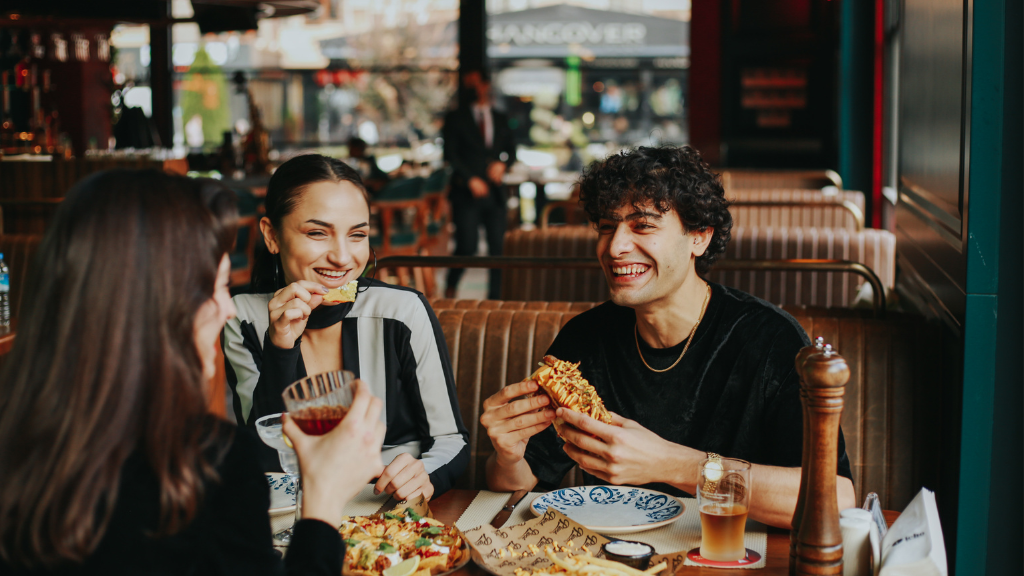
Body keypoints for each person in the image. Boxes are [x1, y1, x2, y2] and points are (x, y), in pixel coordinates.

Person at [0, 170, 385, 574]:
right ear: (155, 303)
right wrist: (322, 500)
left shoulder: (18, 443)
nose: (228, 308)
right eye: (216, 287)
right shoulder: (206, 469)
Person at [479, 146, 856, 528]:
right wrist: (507, 455)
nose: (614, 247)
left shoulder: (770, 340)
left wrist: (674, 465)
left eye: (643, 225)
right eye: (607, 227)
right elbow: (520, 482)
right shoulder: (586, 339)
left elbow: (836, 498)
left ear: (700, 237)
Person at [223, 154, 468, 502]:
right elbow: (267, 458)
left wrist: (422, 475)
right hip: (297, 513)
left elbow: (451, 441)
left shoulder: (402, 311)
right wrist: (280, 348)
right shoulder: (243, 319)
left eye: (357, 235)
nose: (342, 257)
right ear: (272, 236)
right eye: (317, 233)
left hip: (390, 511)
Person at [442, 70, 516, 299]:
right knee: (466, 246)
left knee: (498, 249)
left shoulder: (500, 117)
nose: (472, 89)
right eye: (468, 85)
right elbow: (450, 155)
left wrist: (503, 165)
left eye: (475, 84)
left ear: (485, 85)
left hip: (495, 194)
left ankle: (495, 298)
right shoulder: (455, 117)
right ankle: (451, 288)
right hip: (466, 194)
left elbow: (511, 152)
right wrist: (469, 178)